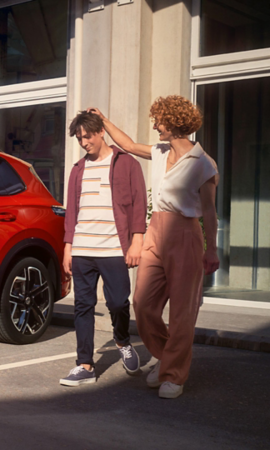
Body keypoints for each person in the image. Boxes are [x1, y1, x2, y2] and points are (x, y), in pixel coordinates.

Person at [89, 95, 219, 399]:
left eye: (159, 120)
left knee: (182, 313)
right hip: (155, 230)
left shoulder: (203, 164)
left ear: (173, 123)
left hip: (185, 233)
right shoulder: (161, 151)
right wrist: (104, 120)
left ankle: (174, 373)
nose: (155, 124)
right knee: (143, 304)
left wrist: (211, 249)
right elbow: (130, 145)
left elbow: (210, 212)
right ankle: (167, 359)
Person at [60, 111, 147, 387]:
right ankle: (85, 364)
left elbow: (138, 203)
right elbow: (71, 211)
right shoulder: (77, 169)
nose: (84, 142)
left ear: (100, 132)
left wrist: (137, 240)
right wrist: (67, 247)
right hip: (83, 248)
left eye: (87, 136)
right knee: (83, 306)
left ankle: (122, 339)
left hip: (113, 248)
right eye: (79, 138)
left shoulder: (126, 163)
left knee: (119, 302)